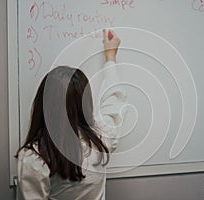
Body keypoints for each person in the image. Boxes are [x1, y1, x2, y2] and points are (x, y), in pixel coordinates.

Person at [16, 30, 126, 200]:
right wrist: (110, 58)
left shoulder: (35, 157)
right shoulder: (100, 139)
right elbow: (113, 103)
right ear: (85, 105)